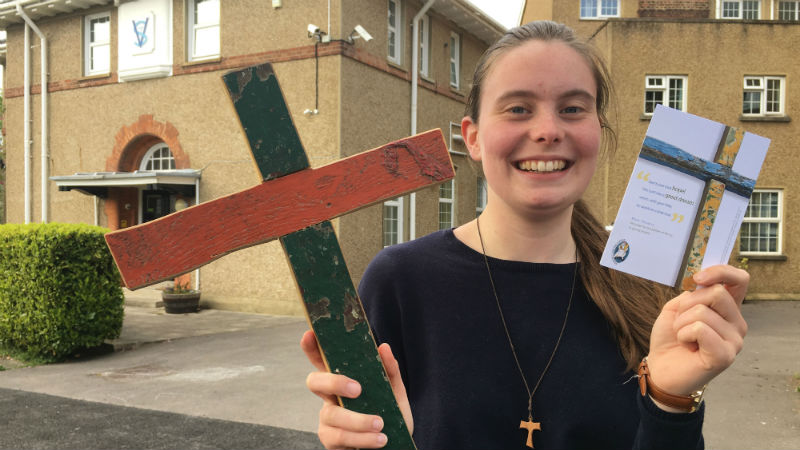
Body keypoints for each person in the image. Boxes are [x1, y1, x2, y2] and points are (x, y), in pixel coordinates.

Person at [301, 20, 749, 450]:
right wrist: (376, 441)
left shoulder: (647, 287)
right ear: (473, 139)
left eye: (573, 109)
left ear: (598, 131)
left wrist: (672, 404)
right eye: (518, 109)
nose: (548, 131)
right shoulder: (400, 281)